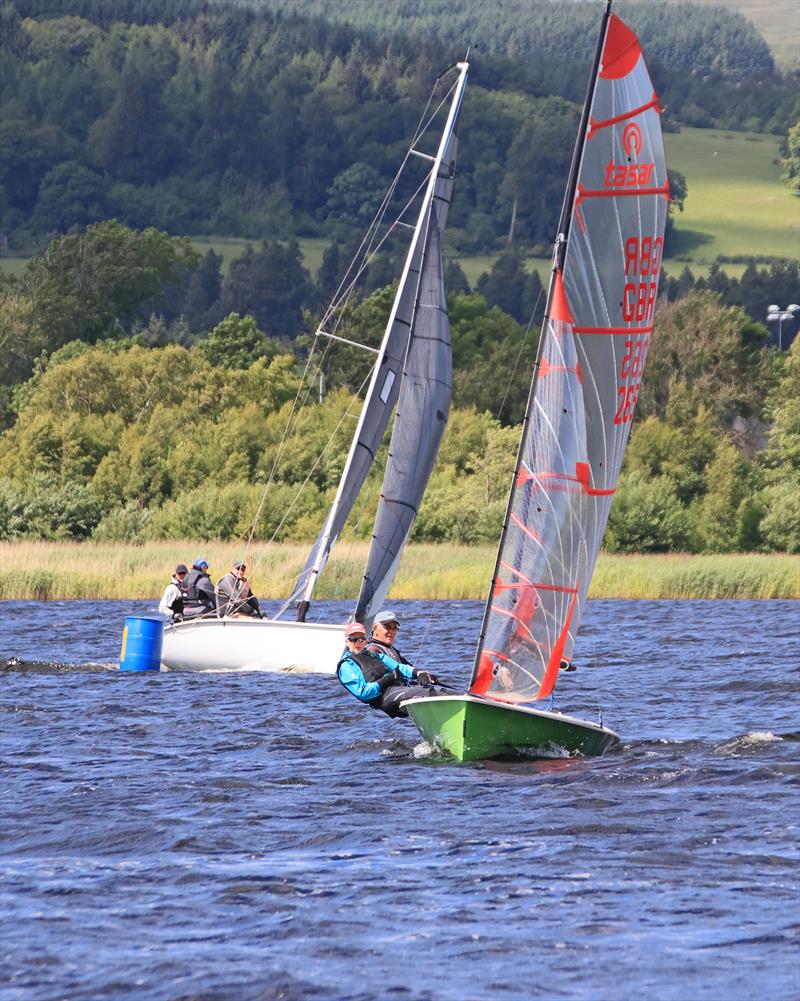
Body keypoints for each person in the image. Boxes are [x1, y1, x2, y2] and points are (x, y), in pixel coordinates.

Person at [336, 622, 441, 719]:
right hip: (385, 698)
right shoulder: (346, 666)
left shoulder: (376, 656)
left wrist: (419, 673)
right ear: (347, 642)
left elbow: (400, 667)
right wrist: (386, 679)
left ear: (366, 640)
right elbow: (363, 693)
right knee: (431, 693)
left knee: (437, 690)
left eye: (361, 639)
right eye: (353, 639)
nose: (358, 642)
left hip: (397, 690)